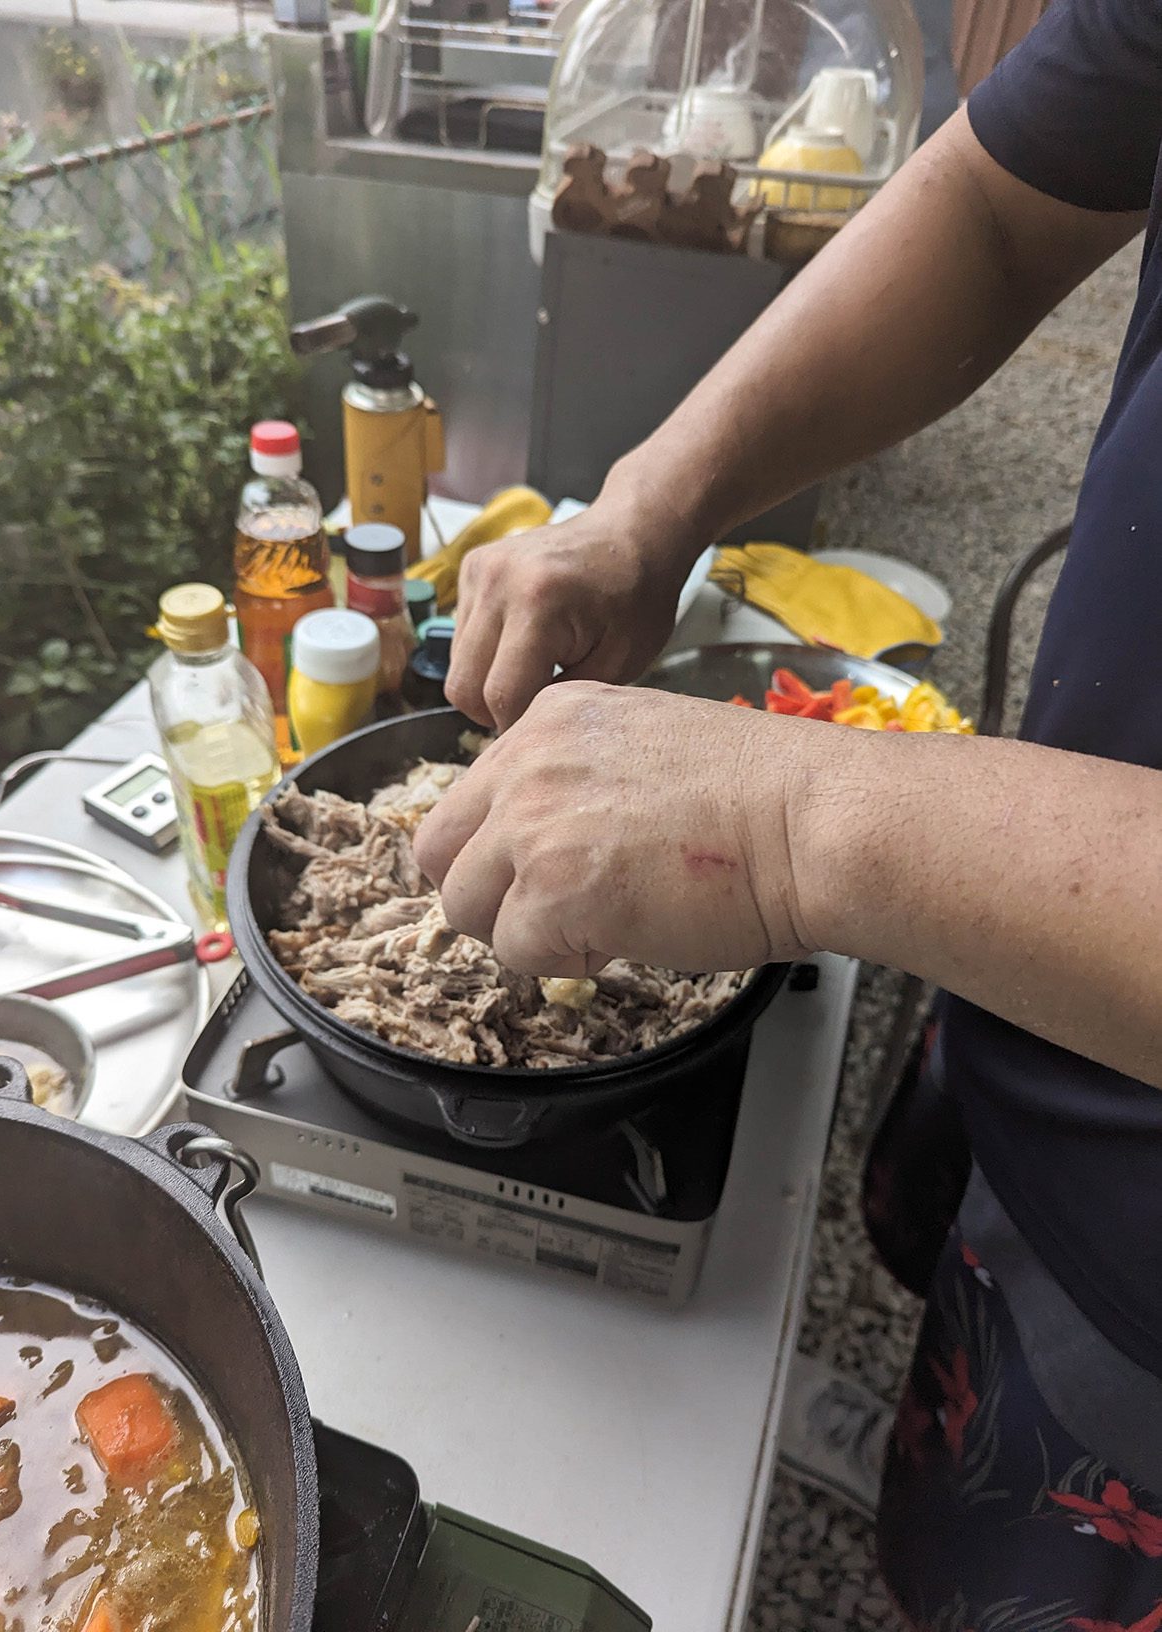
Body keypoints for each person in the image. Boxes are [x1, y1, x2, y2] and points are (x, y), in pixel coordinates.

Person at [413, 0, 1162, 1623]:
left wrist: (789, 822)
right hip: (1050, 987)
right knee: (956, 1450)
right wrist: (647, 507)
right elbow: (993, 199)